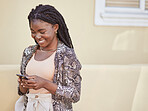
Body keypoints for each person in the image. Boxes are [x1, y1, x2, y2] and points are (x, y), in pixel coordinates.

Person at [16, 4, 82, 111]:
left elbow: (75, 94)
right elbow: (22, 92)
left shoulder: (66, 55)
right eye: (33, 32)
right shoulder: (28, 52)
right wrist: (23, 84)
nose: (37, 36)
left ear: (55, 27)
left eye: (42, 32)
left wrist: (45, 83)